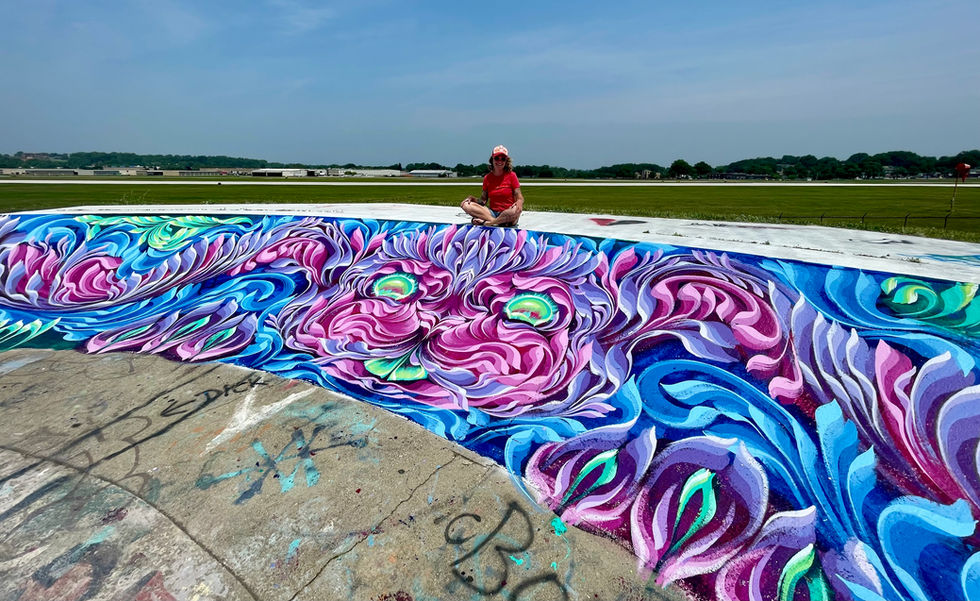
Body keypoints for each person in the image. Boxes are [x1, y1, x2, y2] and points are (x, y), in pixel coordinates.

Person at [461, 145, 524, 227]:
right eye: (497, 158)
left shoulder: (512, 175)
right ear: (492, 160)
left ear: (506, 161)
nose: (500, 161)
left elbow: (519, 196)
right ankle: (497, 222)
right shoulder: (487, 178)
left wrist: (519, 202)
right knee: (465, 205)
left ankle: (489, 222)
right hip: (492, 213)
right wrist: (473, 199)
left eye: (503, 159)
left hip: (507, 212)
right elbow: (483, 201)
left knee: (515, 211)